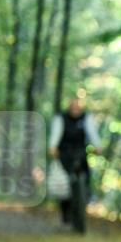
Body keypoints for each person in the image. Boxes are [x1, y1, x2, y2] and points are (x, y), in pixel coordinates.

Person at [49, 92, 102, 227]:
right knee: (64, 184)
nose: (75, 108)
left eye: (78, 106)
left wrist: (97, 147)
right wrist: (53, 147)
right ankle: (65, 212)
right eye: (73, 105)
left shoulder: (86, 118)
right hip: (64, 155)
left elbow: (93, 134)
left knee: (85, 177)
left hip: (81, 154)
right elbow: (55, 134)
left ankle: (85, 199)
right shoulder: (61, 118)